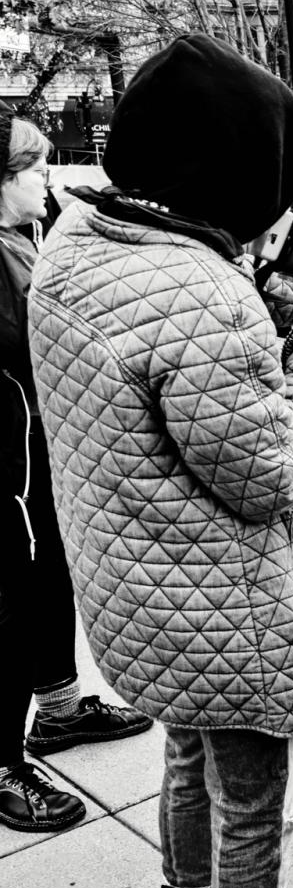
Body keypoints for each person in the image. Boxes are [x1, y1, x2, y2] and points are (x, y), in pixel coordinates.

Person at [26, 34, 293, 888]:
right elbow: (270, 473)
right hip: (222, 603)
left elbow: (164, 403)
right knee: (250, 804)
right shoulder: (203, 293)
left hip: (142, 595)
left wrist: (257, 346)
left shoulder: (74, 243)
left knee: (185, 751)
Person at [1, 116, 151, 835]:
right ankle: (3, 765)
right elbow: (42, 344)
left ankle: (59, 709)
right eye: (34, 170)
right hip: (11, 467)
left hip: (40, 456)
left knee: (51, 579)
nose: (47, 182)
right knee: (14, 605)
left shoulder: (23, 241)